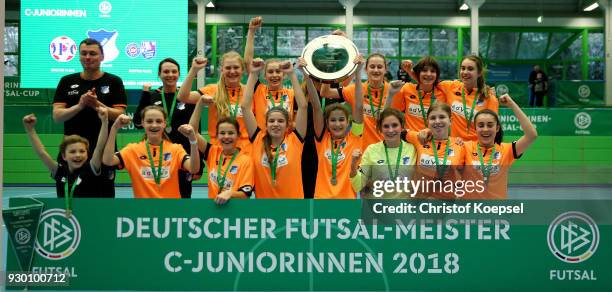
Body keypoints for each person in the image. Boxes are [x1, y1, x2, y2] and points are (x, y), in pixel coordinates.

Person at [52, 38, 127, 197]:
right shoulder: (66, 81)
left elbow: (120, 115)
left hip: (102, 150)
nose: (88, 57)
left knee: (103, 198)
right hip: (72, 150)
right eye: (84, 53)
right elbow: (57, 116)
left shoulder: (114, 81)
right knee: (68, 197)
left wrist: (95, 103)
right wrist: (80, 105)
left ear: (102, 57)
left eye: (93, 53)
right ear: (79, 56)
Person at [133, 58, 200, 199]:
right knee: (156, 196)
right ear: (159, 74)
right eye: (166, 71)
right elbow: (138, 123)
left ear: (179, 74)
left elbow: (196, 132)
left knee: (183, 197)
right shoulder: (152, 96)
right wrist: (145, 95)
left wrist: (200, 162)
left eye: (174, 71)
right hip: (157, 158)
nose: (170, 74)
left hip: (183, 158)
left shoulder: (188, 97)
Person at [242, 58, 308, 198]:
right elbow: (245, 107)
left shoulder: (295, 141)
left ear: (288, 124)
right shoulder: (258, 139)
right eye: (271, 121)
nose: (276, 124)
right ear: (265, 124)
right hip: (266, 212)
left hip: (293, 210)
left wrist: (292, 74)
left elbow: (303, 107)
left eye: (280, 121)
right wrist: (253, 73)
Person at [23, 108, 110, 214]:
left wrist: (105, 121)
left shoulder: (91, 168)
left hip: (90, 217)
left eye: (82, 151)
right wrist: (30, 129)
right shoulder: (59, 171)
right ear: (64, 156)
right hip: (67, 220)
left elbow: (100, 147)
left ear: (87, 154)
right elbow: (42, 153)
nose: (78, 155)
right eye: (72, 152)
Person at [102, 106, 200, 198]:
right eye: (149, 121)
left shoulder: (175, 149)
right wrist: (114, 129)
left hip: (171, 211)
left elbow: (194, 168)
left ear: (164, 124)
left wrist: (193, 141)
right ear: (143, 123)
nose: (154, 125)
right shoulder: (132, 150)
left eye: (158, 121)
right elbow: (108, 161)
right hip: (144, 212)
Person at [308, 55, 365, 199]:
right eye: (333, 120)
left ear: (348, 122)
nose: (337, 124)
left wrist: (358, 72)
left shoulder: (355, 137)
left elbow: (358, 106)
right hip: (321, 201)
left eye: (341, 120)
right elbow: (316, 107)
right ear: (327, 123)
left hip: (346, 202)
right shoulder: (322, 138)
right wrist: (306, 75)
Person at [462, 94, 537, 199]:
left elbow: (531, 135)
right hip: (470, 211)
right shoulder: (465, 148)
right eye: (481, 125)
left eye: (490, 125)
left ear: (497, 128)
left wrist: (511, 104)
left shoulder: (506, 150)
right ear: (475, 128)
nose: (485, 129)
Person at [320, 52, 396, 150]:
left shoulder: (394, 91)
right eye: (372, 67)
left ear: (386, 70)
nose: (376, 70)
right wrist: (329, 70)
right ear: (365, 69)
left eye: (379, 67)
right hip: (361, 151)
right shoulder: (355, 90)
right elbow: (325, 92)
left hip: (386, 150)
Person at [189, 96, 255, 204]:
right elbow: (192, 131)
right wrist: (200, 104)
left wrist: (230, 193)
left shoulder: (246, 160)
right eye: (222, 133)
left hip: (236, 213)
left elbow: (245, 194)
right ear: (217, 136)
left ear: (238, 136)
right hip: (213, 210)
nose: (226, 137)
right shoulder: (212, 151)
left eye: (231, 133)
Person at [350, 108, 417, 198]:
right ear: (380, 129)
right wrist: (353, 165)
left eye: (394, 125)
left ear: (402, 127)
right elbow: (358, 185)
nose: (390, 130)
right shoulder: (371, 150)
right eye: (386, 126)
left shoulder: (413, 149)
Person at [404, 103, 465, 199]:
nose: (437, 121)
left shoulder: (460, 146)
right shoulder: (420, 139)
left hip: (444, 203)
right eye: (433, 118)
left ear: (450, 121)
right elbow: (399, 131)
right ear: (428, 122)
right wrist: (423, 131)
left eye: (442, 117)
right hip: (417, 200)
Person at [439, 55, 499, 141]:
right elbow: (427, 82)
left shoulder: (489, 98)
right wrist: (412, 72)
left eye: (470, 69)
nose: (465, 72)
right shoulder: (450, 87)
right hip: (455, 147)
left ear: (479, 73)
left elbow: (493, 130)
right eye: (463, 68)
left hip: (476, 149)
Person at [387, 56, 451, 132]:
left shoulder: (443, 93)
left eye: (433, 71)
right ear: (418, 73)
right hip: (411, 141)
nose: (428, 74)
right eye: (424, 70)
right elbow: (393, 112)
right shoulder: (407, 89)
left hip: (434, 141)